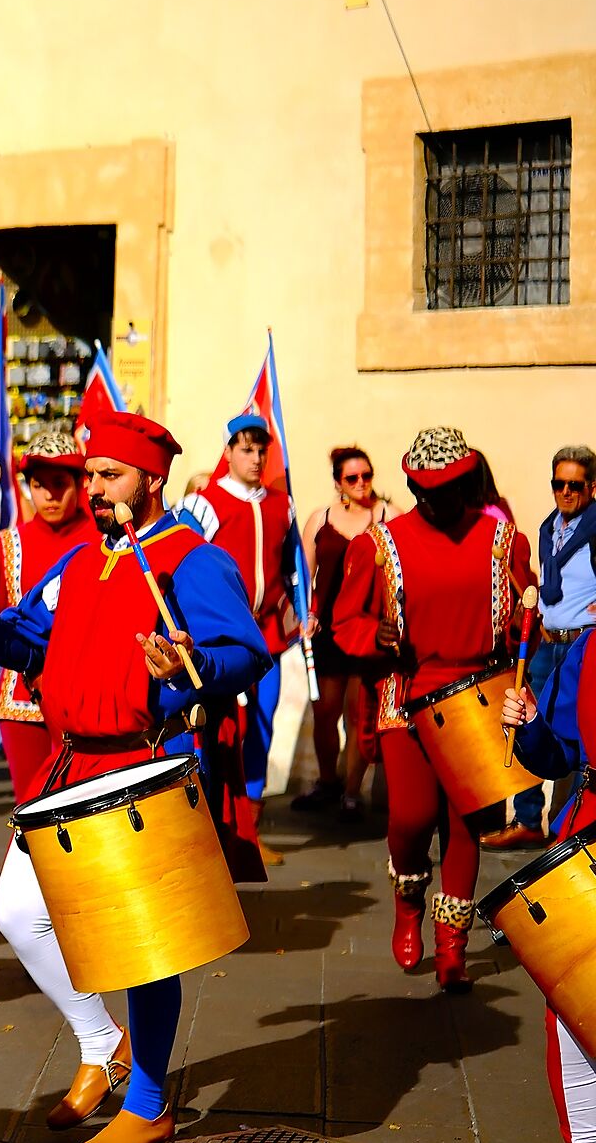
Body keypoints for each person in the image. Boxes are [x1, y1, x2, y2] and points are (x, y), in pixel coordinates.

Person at [0, 410, 270, 1143]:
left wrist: (191, 665)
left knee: (141, 947)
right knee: (18, 913)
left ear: (150, 481)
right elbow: (33, 641)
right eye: (91, 475)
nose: (93, 489)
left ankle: (151, 1101)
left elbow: (244, 651)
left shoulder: (190, 559)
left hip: (142, 763)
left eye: (109, 477)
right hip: (71, 763)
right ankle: (103, 1041)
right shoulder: (79, 562)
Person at [331, 427, 535, 992]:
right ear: (416, 489)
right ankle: (408, 896)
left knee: (467, 823)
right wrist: (381, 637)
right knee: (411, 819)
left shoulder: (504, 541)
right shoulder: (377, 545)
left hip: (479, 695)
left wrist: (527, 629)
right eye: (428, 490)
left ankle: (453, 947)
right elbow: (346, 624)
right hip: (407, 694)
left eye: (449, 488)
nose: (439, 501)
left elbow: (526, 612)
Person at [498, 633, 596, 1143]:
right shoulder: (588, 649)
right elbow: (557, 752)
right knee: (572, 1006)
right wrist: (531, 724)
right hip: (590, 842)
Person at [183, 414, 299, 865]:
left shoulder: (280, 505)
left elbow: (292, 570)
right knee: (218, 728)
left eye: (261, 450)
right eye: (246, 449)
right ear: (228, 451)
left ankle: (250, 830)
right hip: (219, 638)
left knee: (263, 726)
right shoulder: (205, 504)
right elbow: (188, 565)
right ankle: (212, 825)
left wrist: (302, 614)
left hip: (266, 634)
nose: (255, 458)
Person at [0, 431, 102, 803]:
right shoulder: (3, 544)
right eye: (37, 484)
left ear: (79, 484)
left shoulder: (104, 540)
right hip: (22, 699)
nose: (48, 495)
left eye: (59, 483)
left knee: (86, 810)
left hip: (88, 696)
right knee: (32, 813)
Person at [490, 445, 596, 849]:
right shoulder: (549, 526)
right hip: (558, 644)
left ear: (592, 487)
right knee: (537, 725)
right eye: (558, 484)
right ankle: (530, 819)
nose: (565, 492)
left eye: (574, 485)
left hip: (581, 637)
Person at [293, 447, 390, 816]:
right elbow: (305, 576)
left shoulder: (386, 517)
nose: (362, 484)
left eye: (367, 475)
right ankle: (327, 782)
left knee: (358, 713)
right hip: (328, 629)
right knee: (325, 712)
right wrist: (308, 614)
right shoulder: (321, 518)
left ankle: (352, 791)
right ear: (338, 483)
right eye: (352, 478)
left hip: (367, 629)